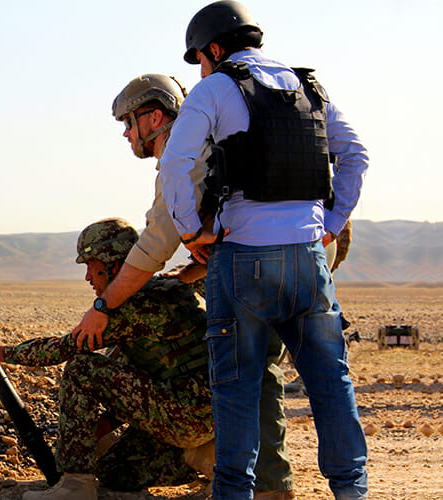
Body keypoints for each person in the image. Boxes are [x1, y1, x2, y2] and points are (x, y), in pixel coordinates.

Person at [158, 2, 369, 499]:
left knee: (236, 392)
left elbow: (174, 164)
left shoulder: (215, 88)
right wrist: (330, 226)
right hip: (307, 260)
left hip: (243, 261)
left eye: (200, 58)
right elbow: (356, 155)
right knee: (331, 385)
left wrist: (190, 233)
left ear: (213, 48)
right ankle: (352, 492)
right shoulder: (309, 88)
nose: (202, 69)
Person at [72, 73, 295, 498]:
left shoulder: (183, 154)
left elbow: (157, 240)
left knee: (243, 377)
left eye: (128, 122)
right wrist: (190, 273)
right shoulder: (221, 141)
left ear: (154, 117)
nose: (125, 133)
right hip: (290, 260)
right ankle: (272, 480)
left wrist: (106, 304)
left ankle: (251, 479)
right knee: (265, 377)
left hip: (248, 274)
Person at [0, 218, 215, 499]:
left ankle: (75, 488)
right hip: (205, 415)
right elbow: (138, 384)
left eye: (91, 267)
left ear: (114, 265)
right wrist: (99, 428)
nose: (87, 278)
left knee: (82, 368)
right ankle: (204, 456)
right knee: (113, 471)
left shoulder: (137, 305)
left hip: (185, 415)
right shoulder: (170, 287)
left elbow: (62, 349)